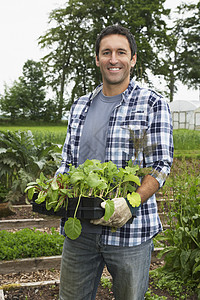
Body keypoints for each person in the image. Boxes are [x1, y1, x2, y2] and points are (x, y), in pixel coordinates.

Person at [57, 25, 174, 300]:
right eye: (106, 52)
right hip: (80, 230)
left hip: (130, 231)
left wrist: (130, 202)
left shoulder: (150, 104)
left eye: (121, 52)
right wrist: (56, 182)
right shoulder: (80, 106)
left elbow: (159, 165)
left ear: (132, 59)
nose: (113, 59)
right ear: (97, 58)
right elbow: (68, 161)